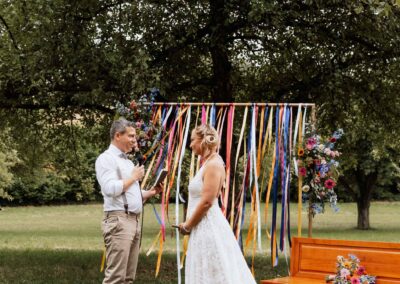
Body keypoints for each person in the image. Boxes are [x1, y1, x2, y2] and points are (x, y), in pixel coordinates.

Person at [178, 124, 256, 284]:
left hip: (207, 226)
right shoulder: (208, 163)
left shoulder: (213, 165)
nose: (191, 144)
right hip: (200, 226)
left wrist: (187, 226)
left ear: (203, 140)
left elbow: (207, 202)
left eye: (193, 140)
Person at [95, 118, 163, 284]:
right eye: (131, 136)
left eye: (135, 136)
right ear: (118, 135)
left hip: (133, 220)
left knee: (128, 278)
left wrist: (151, 192)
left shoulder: (126, 161)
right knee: (116, 278)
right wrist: (133, 177)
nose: (135, 140)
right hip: (119, 220)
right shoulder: (106, 159)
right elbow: (110, 189)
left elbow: (130, 193)